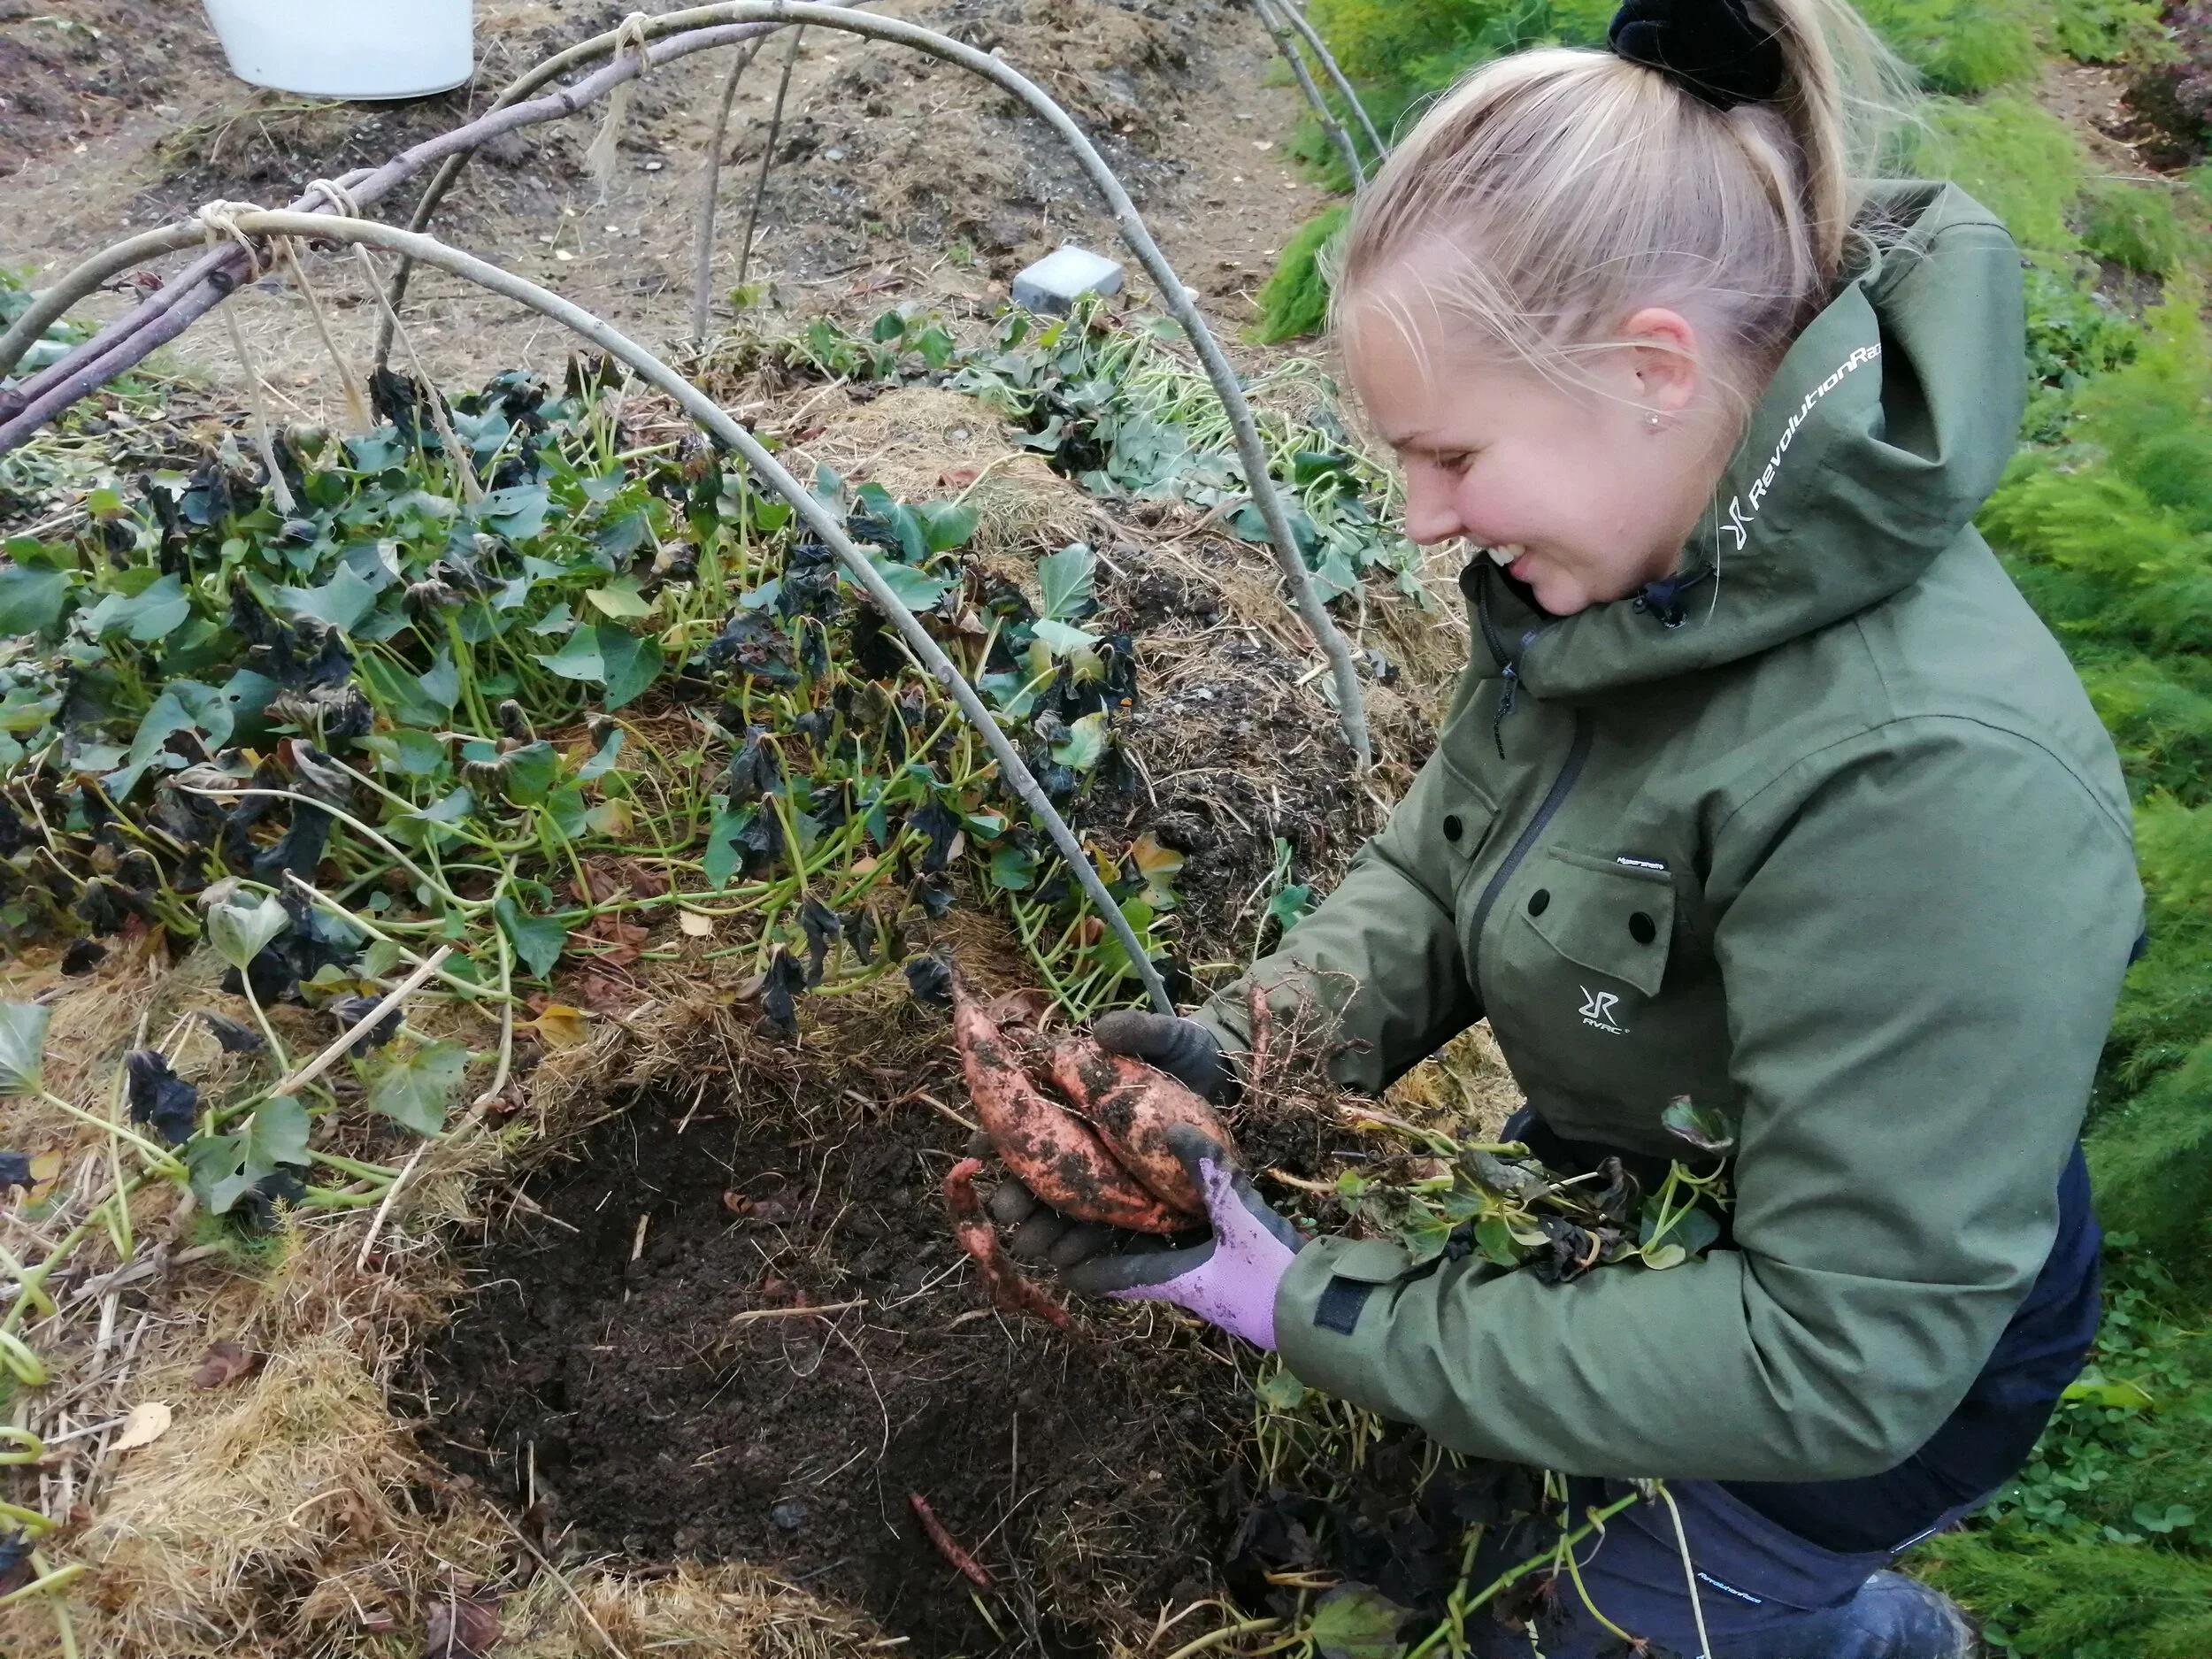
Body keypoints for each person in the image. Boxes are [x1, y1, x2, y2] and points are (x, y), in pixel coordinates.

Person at [989, 0, 2147, 1651]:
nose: (1421, 517)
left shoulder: (1925, 780)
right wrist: (1247, 1050)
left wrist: (1311, 1304)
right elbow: (1448, 862)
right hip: (1639, 1203)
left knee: (1588, 1621)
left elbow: (1827, 1360)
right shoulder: (1631, 576)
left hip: (1838, 1393)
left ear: (1652, 369)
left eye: (1453, 453)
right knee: (1489, 1535)